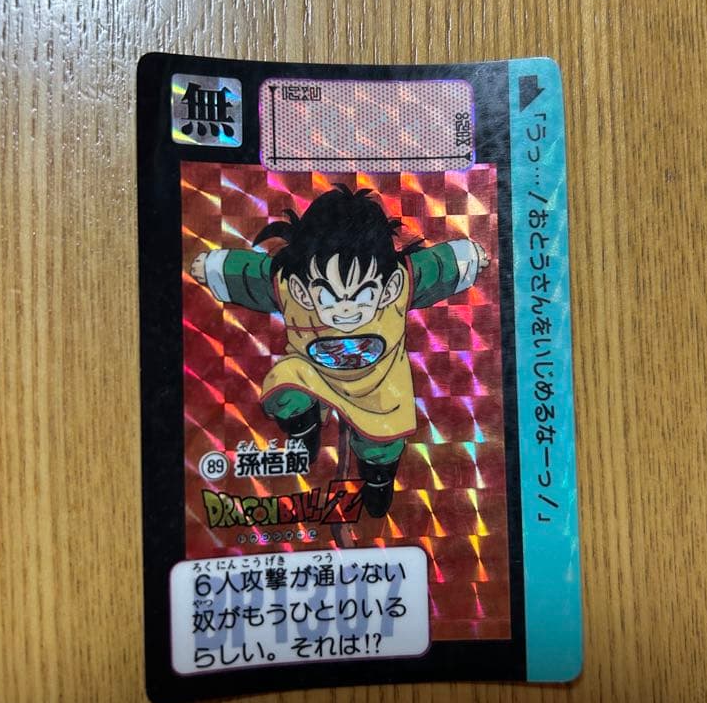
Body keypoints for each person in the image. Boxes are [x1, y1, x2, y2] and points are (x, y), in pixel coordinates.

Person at [191, 183, 489, 517]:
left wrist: (467, 259)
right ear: (302, 289)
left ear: (389, 287)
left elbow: (435, 267)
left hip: (378, 386)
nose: (345, 309)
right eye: (327, 295)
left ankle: (377, 477)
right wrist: (217, 268)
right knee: (283, 384)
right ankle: (304, 426)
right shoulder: (289, 284)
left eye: (362, 294)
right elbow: (252, 276)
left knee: (382, 441)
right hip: (312, 372)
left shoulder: (401, 282)